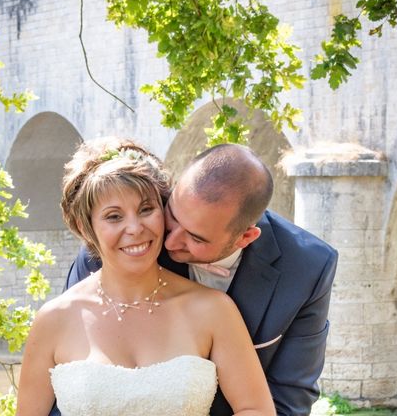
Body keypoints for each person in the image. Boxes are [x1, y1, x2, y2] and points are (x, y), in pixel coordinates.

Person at [64, 143, 339, 416]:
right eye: (172, 214)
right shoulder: (120, 245)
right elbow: (66, 384)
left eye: (195, 238)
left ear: (246, 238)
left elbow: (288, 400)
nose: (169, 242)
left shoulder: (308, 268)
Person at [16, 138, 276, 416]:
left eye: (146, 210)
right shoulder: (53, 320)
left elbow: (256, 409)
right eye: (114, 216)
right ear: (85, 226)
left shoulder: (215, 310)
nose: (135, 228)